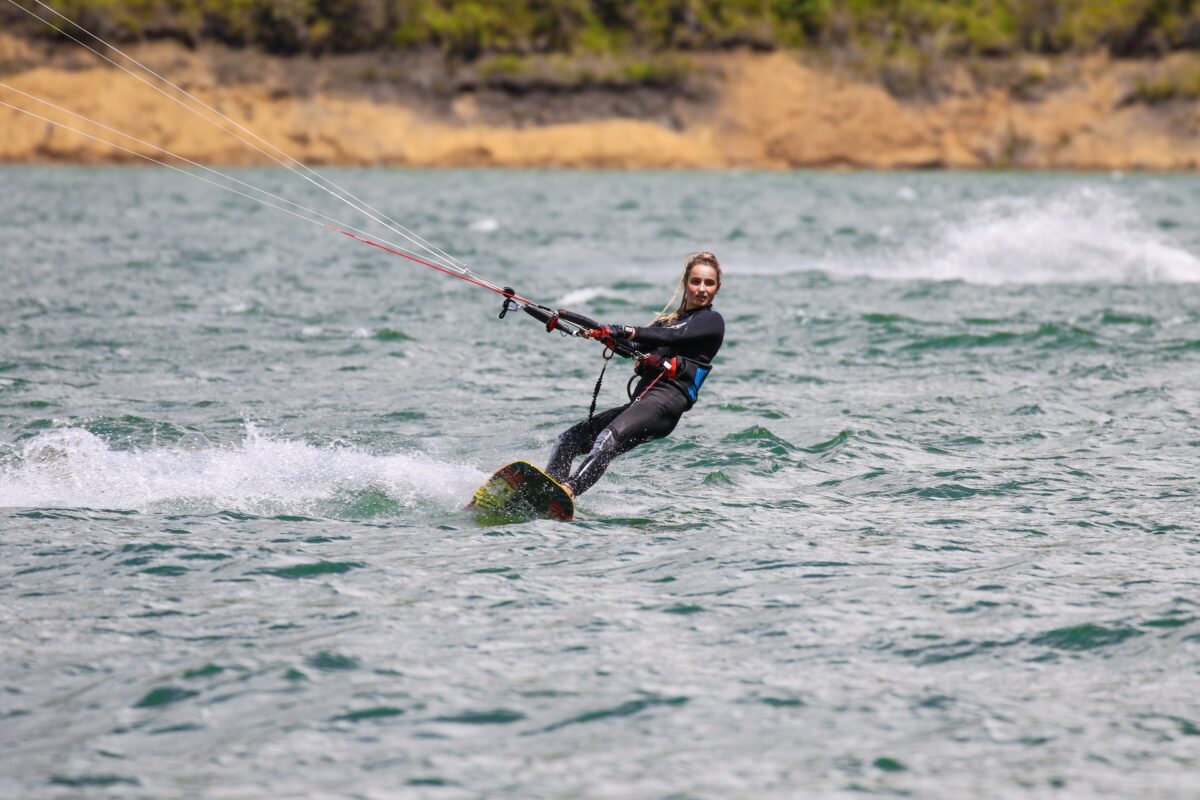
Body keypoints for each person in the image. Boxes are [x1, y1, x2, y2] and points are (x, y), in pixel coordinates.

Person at [546, 251, 725, 497]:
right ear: (685, 283)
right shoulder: (667, 322)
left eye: (709, 283)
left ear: (717, 288)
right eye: (696, 281)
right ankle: (546, 490)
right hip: (643, 402)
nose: (702, 289)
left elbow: (671, 337)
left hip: (666, 403)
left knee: (607, 438)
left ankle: (567, 491)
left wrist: (622, 329)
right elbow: (634, 346)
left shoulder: (712, 321)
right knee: (568, 441)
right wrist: (603, 334)